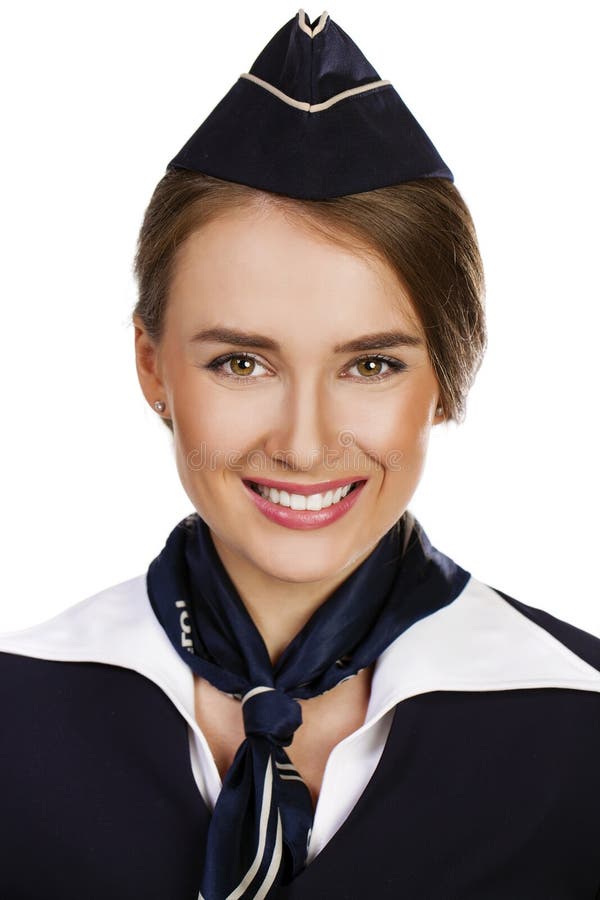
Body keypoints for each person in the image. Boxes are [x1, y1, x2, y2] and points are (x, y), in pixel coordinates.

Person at [1, 8, 600, 900]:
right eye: (242, 362)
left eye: (370, 364)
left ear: (444, 374)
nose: (306, 443)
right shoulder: (16, 718)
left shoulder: (580, 732)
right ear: (150, 363)